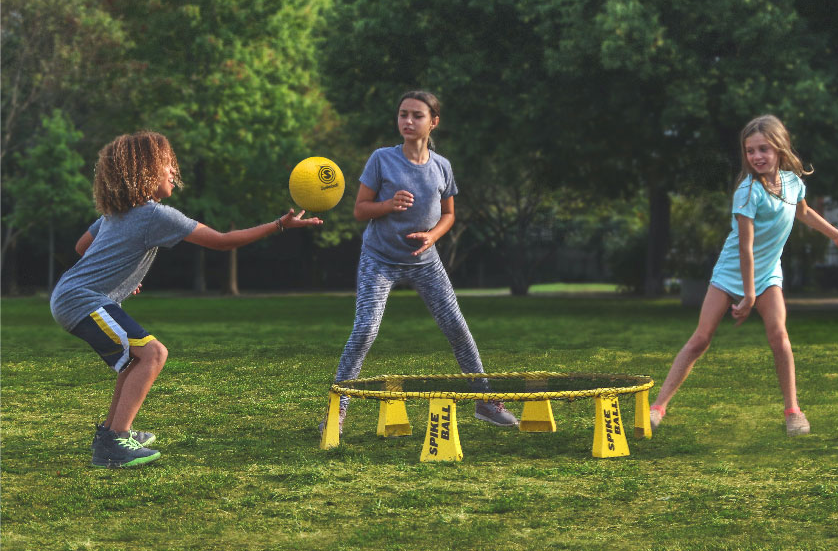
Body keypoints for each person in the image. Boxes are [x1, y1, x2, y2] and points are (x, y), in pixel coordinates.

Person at [51, 131, 323, 469]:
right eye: (166, 165)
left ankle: (112, 432)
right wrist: (279, 225)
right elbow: (223, 241)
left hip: (73, 295)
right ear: (144, 170)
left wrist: (120, 275)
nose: (172, 172)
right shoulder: (156, 215)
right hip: (81, 300)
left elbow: (82, 247)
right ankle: (114, 443)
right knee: (154, 353)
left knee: (138, 358)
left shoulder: (116, 213)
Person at [649, 115, 838, 436]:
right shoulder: (748, 191)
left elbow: (804, 212)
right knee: (701, 339)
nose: (756, 156)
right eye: (750, 151)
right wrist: (748, 295)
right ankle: (657, 408)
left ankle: (793, 412)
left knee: (779, 337)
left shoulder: (792, 182)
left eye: (763, 149)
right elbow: (744, 248)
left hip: (767, 273)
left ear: (779, 148)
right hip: (731, 271)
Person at [320, 90, 517, 437]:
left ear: (433, 122)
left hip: (425, 262)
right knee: (365, 330)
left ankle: (485, 402)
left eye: (417, 115)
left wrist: (432, 237)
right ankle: (337, 410)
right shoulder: (382, 159)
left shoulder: (442, 166)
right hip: (379, 259)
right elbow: (360, 210)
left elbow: (449, 214)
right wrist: (387, 205)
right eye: (403, 114)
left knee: (457, 328)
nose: (408, 121)